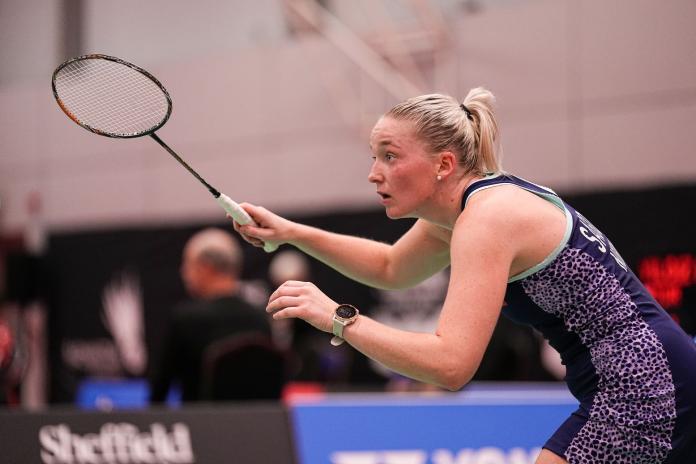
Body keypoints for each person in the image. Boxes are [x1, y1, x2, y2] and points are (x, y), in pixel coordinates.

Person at [231, 88, 696, 463]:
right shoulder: (467, 210)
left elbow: (452, 365)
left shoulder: (487, 219)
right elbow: (391, 268)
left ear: (444, 165)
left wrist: (338, 318)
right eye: (374, 157)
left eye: (390, 156)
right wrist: (291, 232)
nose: (374, 174)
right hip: (655, 374)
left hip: (644, 385)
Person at [149, 228, 272, 403]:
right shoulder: (261, 319)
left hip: (198, 426)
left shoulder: (185, 320)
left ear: (205, 268)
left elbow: (159, 391)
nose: (184, 274)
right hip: (255, 426)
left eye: (187, 265)